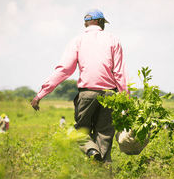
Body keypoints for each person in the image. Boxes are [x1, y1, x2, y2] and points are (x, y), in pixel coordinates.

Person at [31, 9, 129, 164]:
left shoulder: (77, 41)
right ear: (101, 22)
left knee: (81, 131)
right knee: (104, 134)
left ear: (86, 23)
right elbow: (119, 73)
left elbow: (63, 70)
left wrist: (41, 94)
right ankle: (104, 173)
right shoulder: (113, 40)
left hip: (87, 94)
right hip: (110, 96)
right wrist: (126, 100)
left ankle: (91, 151)